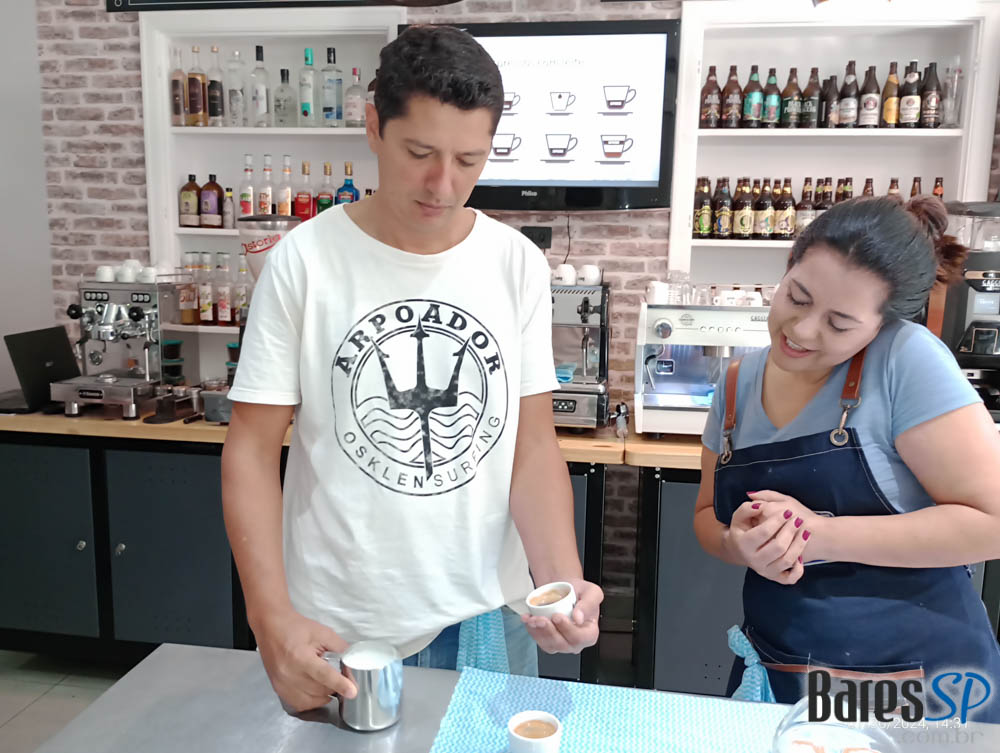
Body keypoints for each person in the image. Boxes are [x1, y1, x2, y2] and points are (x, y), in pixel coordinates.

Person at [220, 24, 602, 714]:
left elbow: (531, 443)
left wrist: (561, 582)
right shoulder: (304, 261)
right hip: (339, 624)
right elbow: (250, 447)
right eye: (420, 153)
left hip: (489, 615)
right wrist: (269, 616)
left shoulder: (515, 263)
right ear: (374, 127)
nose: (442, 185)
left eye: (469, 160)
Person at [694, 196, 1000, 722]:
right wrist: (736, 543)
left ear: (883, 325)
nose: (802, 330)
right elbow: (707, 517)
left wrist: (819, 536)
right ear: (788, 266)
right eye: (797, 297)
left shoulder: (905, 359)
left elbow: (992, 523)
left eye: (839, 324)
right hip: (783, 666)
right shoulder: (737, 382)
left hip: (920, 685)